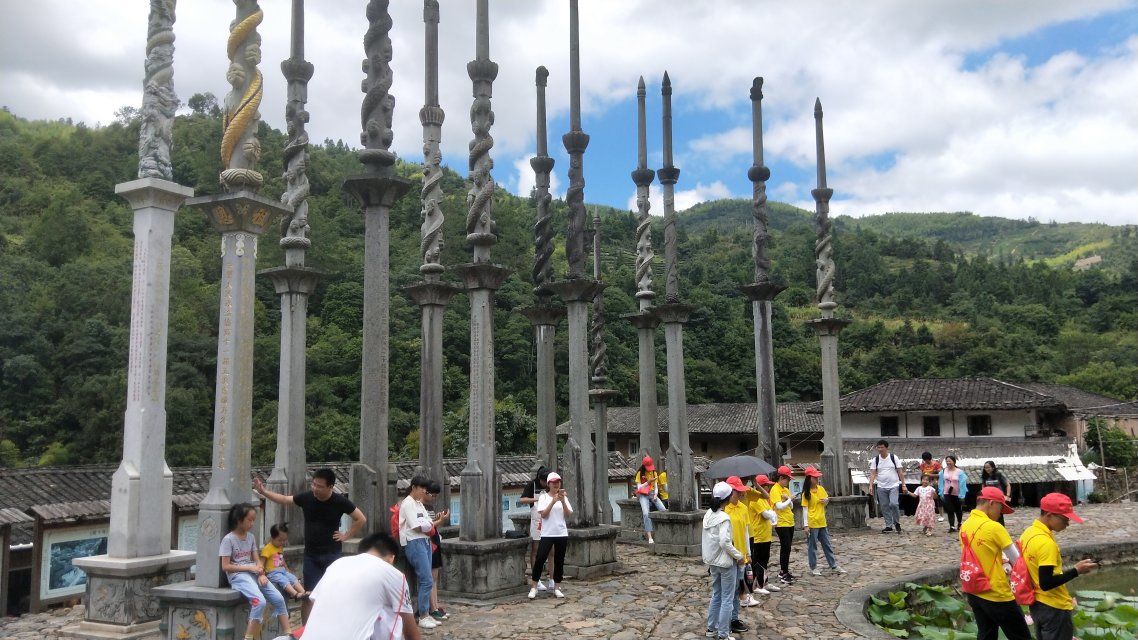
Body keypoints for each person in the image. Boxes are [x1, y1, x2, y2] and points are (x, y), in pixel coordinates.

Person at [254, 469, 366, 622]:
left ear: (330, 486)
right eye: (313, 484)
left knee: (333, 594)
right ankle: (305, 630)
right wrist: (264, 492)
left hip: (332, 556)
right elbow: (284, 499)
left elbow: (360, 519)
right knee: (308, 595)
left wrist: (346, 535)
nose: (315, 488)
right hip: (311, 557)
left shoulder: (340, 501)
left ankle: (332, 626)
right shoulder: (307, 497)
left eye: (319, 486)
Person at [301, 531, 421, 640]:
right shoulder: (393, 574)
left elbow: (311, 603)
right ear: (391, 558)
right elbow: (411, 632)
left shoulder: (336, 564)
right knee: (393, 615)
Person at [1019, 493, 1098, 640]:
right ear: (1049, 515)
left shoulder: (1028, 533)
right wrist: (1076, 571)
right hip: (1053, 607)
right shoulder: (1046, 543)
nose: (1067, 524)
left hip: (1037, 605)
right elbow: (1046, 583)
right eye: (1065, 519)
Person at [959, 486, 1031, 640]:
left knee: (986, 635)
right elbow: (1018, 561)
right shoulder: (994, 527)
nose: (1000, 513)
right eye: (1000, 508)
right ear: (991, 503)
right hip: (997, 593)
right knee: (1021, 636)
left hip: (975, 590)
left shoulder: (965, 525)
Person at [220, 504, 291, 640]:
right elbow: (225, 566)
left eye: (253, 520)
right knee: (259, 601)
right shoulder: (228, 539)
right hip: (238, 576)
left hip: (254, 573)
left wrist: (261, 573)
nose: (252, 523)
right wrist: (249, 568)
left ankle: (289, 634)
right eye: (249, 520)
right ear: (239, 520)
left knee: (279, 598)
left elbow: (257, 560)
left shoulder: (251, 537)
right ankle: (248, 638)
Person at [703, 481, 745, 640]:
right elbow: (724, 542)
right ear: (727, 498)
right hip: (726, 562)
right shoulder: (724, 518)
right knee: (727, 598)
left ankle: (711, 628)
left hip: (713, 561)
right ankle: (723, 634)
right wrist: (738, 555)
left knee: (717, 594)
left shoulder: (708, 515)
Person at [397, 475, 439, 629]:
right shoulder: (408, 503)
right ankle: (423, 615)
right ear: (414, 487)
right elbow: (416, 526)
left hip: (424, 540)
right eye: (422, 488)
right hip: (414, 541)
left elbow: (429, 522)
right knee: (426, 579)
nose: (423, 491)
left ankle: (425, 613)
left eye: (425, 489)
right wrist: (426, 525)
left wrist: (427, 525)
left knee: (426, 579)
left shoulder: (419, 504)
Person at [529, 471, 572, 599]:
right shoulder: (543, 497)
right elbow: (543, 514)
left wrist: (562, 502)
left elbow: (568, 514)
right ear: (548, 484)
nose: (556, 484)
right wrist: (553, 502)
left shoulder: (564, 497)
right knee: (540, 558)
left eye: (558, 482)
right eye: (553, 482)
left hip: (561, 533)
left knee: (559, 560)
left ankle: (557, 587)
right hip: (547, 533)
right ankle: (534, 586)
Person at [800, 466, 846, 576]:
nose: (817, 479)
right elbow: (805, 510)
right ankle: (813, 567)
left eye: (817, 477)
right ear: (809, 478)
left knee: (827, 544)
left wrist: (826, 501)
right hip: (812, 523)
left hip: (822, 521)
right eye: (815, 477)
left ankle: (833, 565)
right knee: (812, 546)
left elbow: (826, 501)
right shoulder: (806, 493)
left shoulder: (821, 489)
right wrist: (806, 525)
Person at [722, 475, 752, 633]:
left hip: (741, 555)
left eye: (741, 491)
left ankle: (733, 618)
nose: (740, 494)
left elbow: (746, 532)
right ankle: (726, 620)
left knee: (738, 588)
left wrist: (748, 553)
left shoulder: (743, 508)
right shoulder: (723, 510)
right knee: (727, 590)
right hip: (728, 555)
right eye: (737, 491)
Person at [518, 467, 555, 591]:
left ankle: (552, 578)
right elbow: (522, 499)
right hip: (537, 521)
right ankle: (536, 578)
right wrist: (537, 499)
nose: (545, 484)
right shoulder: (532, 485)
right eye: (544, 482)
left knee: (551, 551)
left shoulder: (551, 485)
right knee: (536, 550)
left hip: (549, 520)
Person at [743, 474, 779, 595]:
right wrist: (772, 515)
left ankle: (764, 582)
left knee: (764, 560)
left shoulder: (763, 499)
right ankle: (757, 584)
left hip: (766, 534)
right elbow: (767, 514)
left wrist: (757, 485)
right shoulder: (755, 500)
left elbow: (771, 511)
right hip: (758, 534)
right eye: (767, 485)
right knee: (757, 561)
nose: (768, 488)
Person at [423, 480, 451, 623]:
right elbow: (426, 527)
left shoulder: (429, 507)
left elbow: (433, 525)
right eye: (432, 495)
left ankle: (436, 605)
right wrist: (440, 521)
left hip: (435, 540)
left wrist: (439, 519)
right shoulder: (420, 507)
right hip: (428, 543)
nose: (433, 498)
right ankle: (432, 607)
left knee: (435, 577)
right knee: (429, 578)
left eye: (435, 496)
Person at [868, 440, 908, 534]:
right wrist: (870, 485)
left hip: (893, 485)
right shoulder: (876, 460)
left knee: (894, 504)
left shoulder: (894, 458)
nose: (880, 449)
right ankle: (888, 525)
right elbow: (873, 473)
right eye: (878, 447)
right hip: (881, 486)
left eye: (882, 447)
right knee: (884, 506)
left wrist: (903, 484)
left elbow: (900, 472)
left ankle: (897, 522)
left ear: (886, 448)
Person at [260, 523, 307, 600]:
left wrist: (287, 569)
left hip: (282, 571)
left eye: (284, 540)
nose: (282, 542)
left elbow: (281, 559)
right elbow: (261, 563)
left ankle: (304, 593)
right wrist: (262, 575)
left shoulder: (280, 547)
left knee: (293, 578)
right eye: (280, 540)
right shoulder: (267, 548)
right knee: (284, 580)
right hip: (272, 573)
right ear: (272, 537)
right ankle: (295, 594)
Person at [769, 465, 797, 584]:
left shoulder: (785, 489)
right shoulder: (775, 489)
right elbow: (779, 506)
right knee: (785, 546)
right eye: (787, 479)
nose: (788, 481)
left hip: (789, 521)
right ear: (781, 478)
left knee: (788, 547)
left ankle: (785, 570)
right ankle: (783, 572)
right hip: (781, 523)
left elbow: (791, 506)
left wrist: (788, 499)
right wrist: (789, 499)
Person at [634, 455, 668, 544]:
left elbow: (656, 486)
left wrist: (656, 495)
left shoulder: (654, 472)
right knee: (646, 513)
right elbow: (639, 487)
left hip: (652, 493)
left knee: (663, 510)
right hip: (643, 494)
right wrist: (648, 482)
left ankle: (663, 531)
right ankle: (650, 536)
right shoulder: (640, 473)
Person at [939, 455, 968, 532]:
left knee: (958, 509)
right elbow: (941, 483)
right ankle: (951, 526)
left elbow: (963, 483)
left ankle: (959, 523)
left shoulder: (959, 472)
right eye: (947, 461)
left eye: (950, 461)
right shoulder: (943, 471)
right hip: (947, 493)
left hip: (957, 493)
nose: (948, 462)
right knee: (950, 509)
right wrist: (941, 492)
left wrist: (962, 494)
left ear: (954, 462)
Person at [918, 452, 944, 522]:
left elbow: (940, 474)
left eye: (927, 460)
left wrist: (930, 475)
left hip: (936, 484)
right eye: (925, 460)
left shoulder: (937, 464)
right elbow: (922, 474)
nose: (926, 462)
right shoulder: (922, 465)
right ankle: (926, 514)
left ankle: (941, 515)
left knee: (938, 499)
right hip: (926, 484)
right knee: (926, 498)